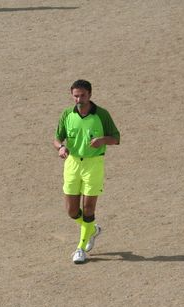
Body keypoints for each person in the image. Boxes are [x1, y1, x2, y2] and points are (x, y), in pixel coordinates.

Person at [54, 79, 120, 264]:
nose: (79, 99)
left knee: (89, 208)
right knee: (72, 211)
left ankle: (80, 249)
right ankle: (92, 229)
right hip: (72, 164)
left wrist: (102, 140)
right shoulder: (67, 114)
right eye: (76, 96)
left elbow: (116, 138)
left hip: (93, 164)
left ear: (90, 95)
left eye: (82, 95)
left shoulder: (102, 115)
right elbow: (57, 138)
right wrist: (60, 147)